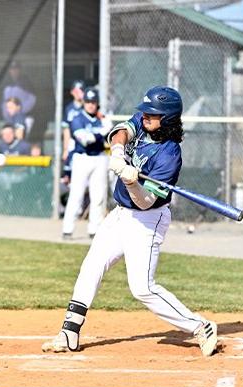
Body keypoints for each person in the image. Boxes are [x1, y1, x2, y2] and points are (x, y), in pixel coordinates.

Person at [42, 86, 218, 357]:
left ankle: (200, 326)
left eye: (153, 114)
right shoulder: (144, 123)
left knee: (142, 288)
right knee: (92, 265)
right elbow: (120, 132)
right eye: (145, 112)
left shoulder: (170, 156)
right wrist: (117, 152)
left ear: (167, 118)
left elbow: (146, 201)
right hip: (120, 214)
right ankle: (69, 331)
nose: (145, 116)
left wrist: (131, 181)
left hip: (148, 220)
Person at [61, 88, 111, 239]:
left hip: (100, 157)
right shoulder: (77, 118)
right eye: (88, 102)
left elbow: (111, 132)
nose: (90, 105)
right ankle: (67, 229)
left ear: (97, 104)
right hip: (82, 158)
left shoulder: (102, 118)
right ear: (83, 103)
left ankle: (94, 230)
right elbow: (85, 139)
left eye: (93, 102)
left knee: (99, 196)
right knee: (76, 194)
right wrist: (103, 131)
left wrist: (105, 125)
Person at [0, 61, 36, 134]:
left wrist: (19, 110)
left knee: (21, 138)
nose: (14, 71)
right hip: (10, 118)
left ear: (20, 70)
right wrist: (7, 113)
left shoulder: (26, 82)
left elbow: (32, 99)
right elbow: (4, 102)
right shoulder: (7, 84)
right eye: (12, 69)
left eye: (16, 69)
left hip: (24, 117)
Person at [61, 80, 86, 184]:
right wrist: (65, 149)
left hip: (86, 142)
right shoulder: (69, 108)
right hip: (73, 141)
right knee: (69, 172)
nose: (78, 93)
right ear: (72, 92)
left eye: (81, 90)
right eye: (76, 91)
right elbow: (66, 130)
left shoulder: (88, 106)